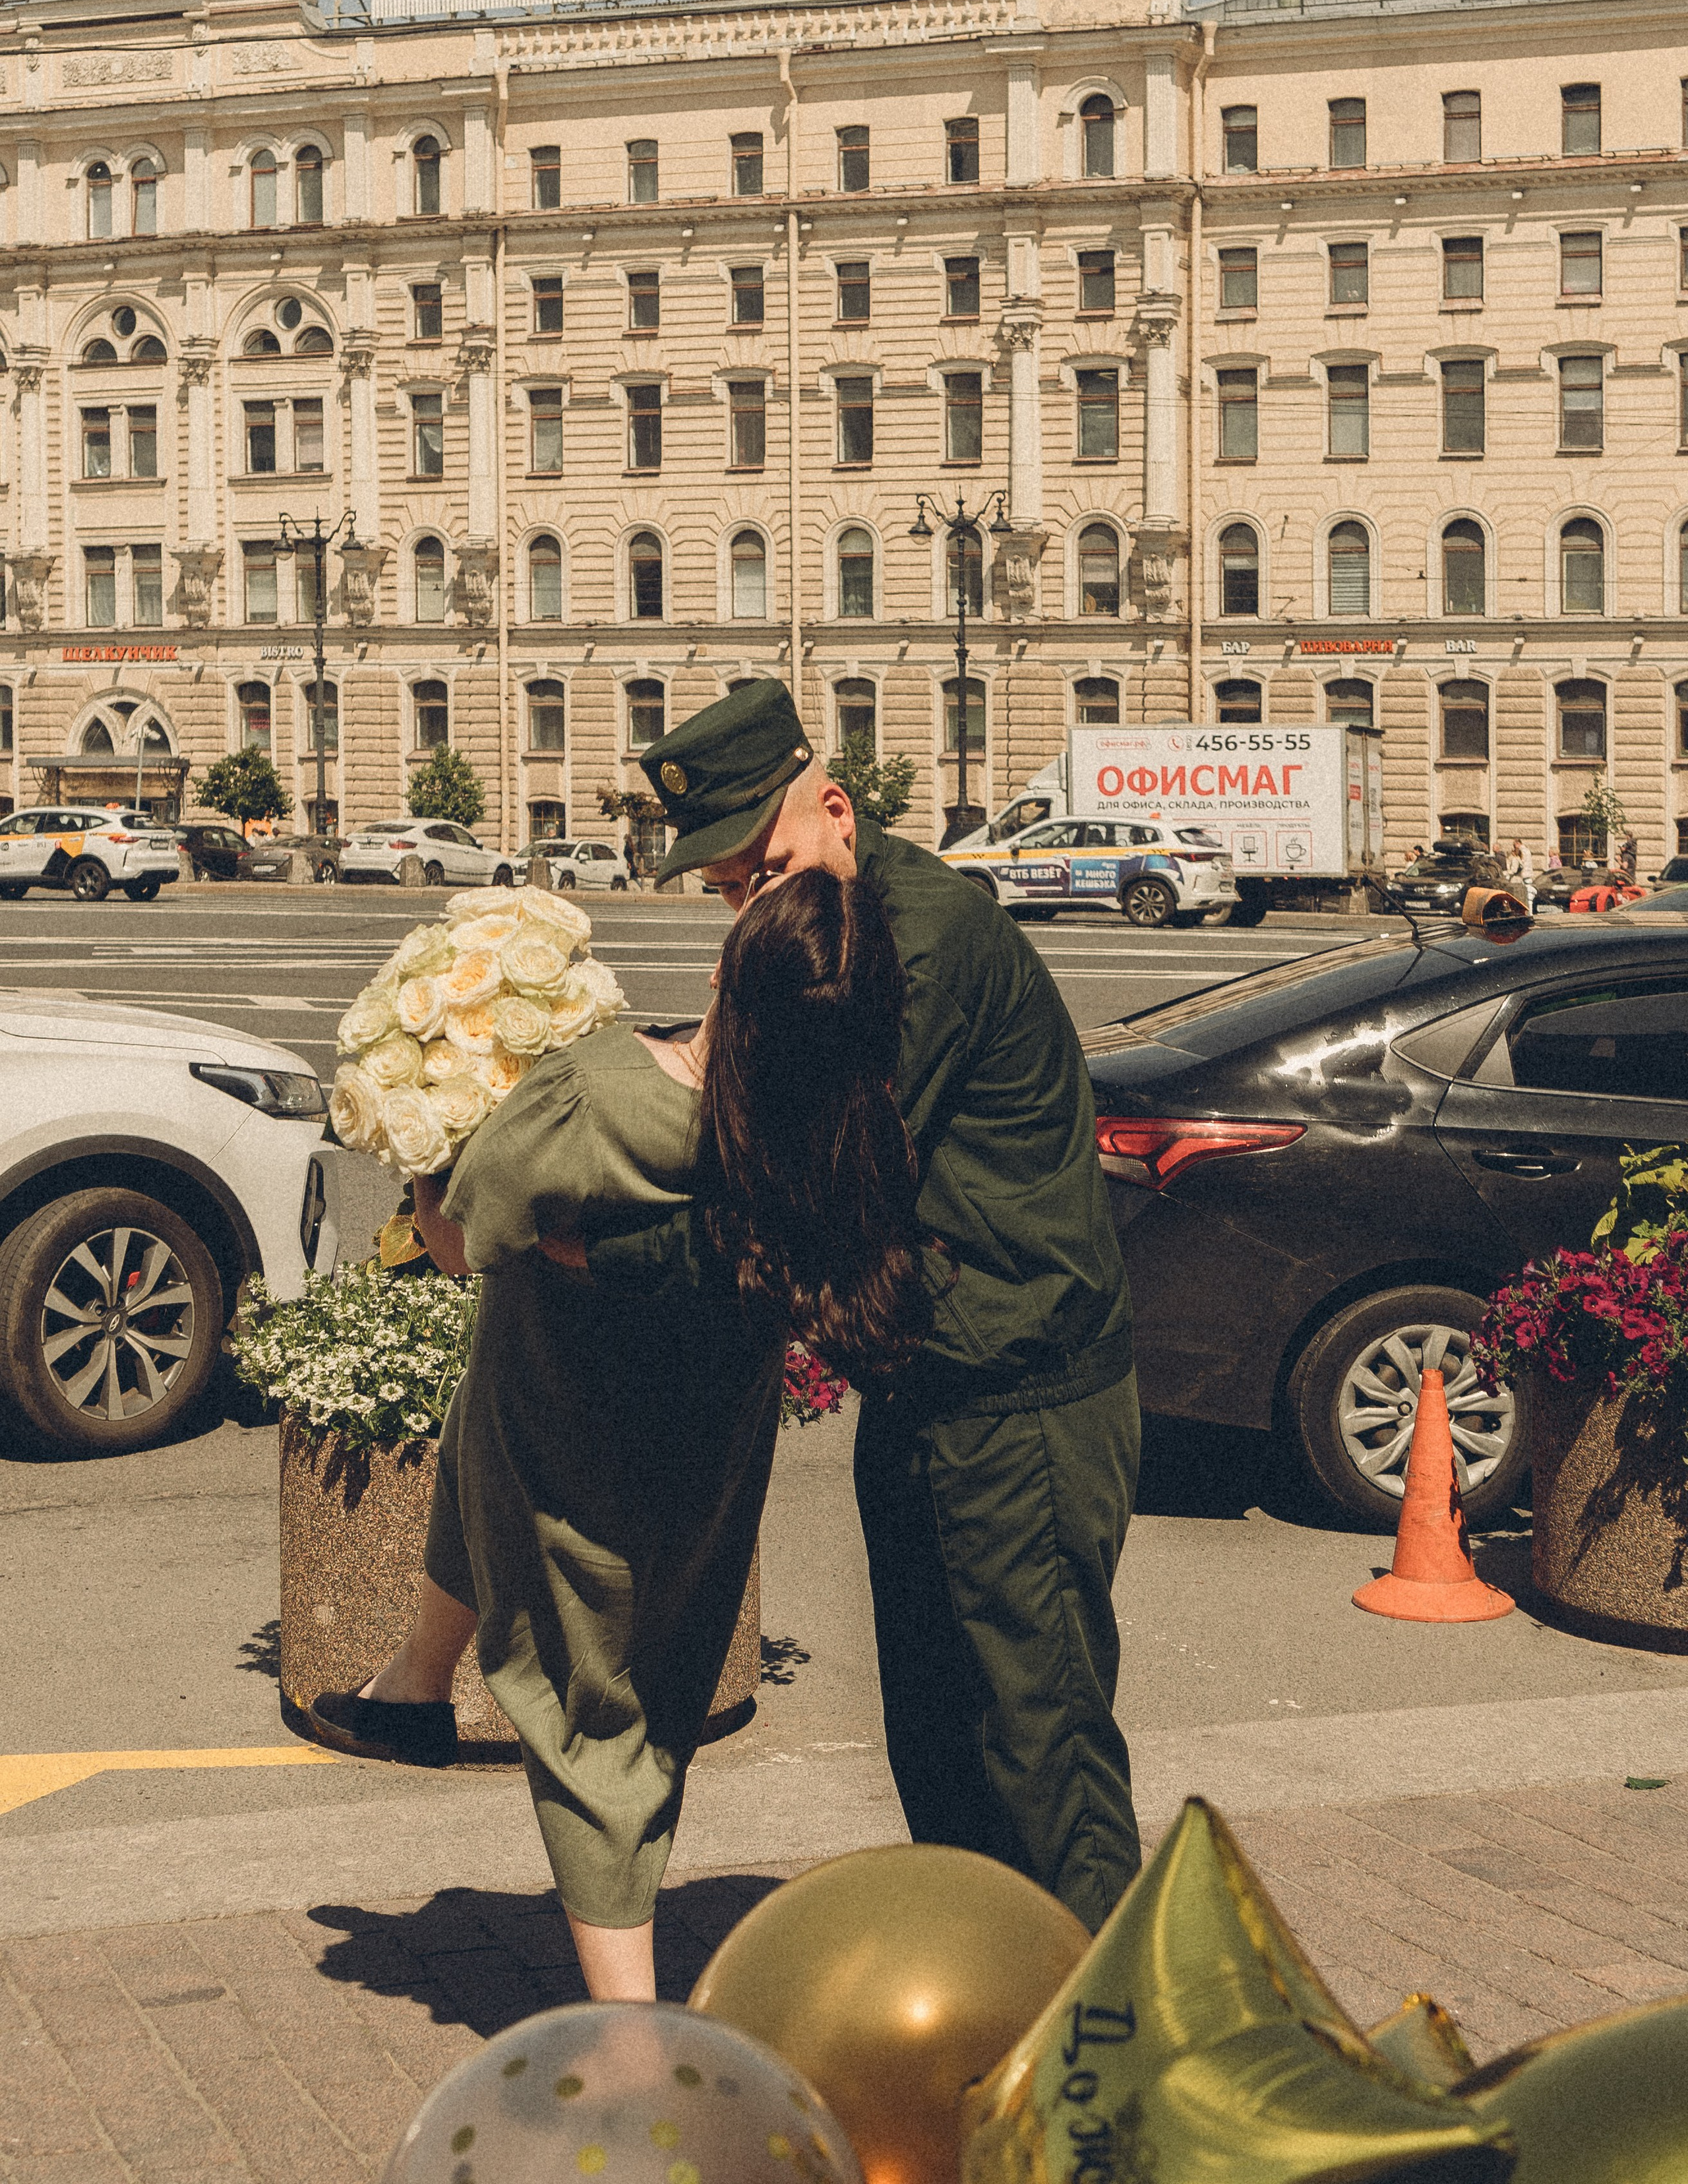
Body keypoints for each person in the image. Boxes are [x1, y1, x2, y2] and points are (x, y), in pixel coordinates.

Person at [310, 869, 930, 2002]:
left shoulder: (594, 1096)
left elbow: (455, 1245)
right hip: (704, 1451)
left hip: (563, 1430)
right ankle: (413, 1686)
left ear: (722, 979)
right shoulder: (827, 1130)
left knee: (592, 1725)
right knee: (529, 1551)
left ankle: (632, 2034)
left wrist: (427, 1155)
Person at [589, 681, 1141, 1935]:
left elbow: (789, 1174)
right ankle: (1002, 2008)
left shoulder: (921, 942)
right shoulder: (830, 929)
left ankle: (1122, 2054)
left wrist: (595, 1248)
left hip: (1024, 1399)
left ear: (835, 812)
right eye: (729, 889)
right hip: (932, 1384)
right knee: (940, 1742)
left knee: (1042, 1751)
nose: (751, 907)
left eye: (765, 867)